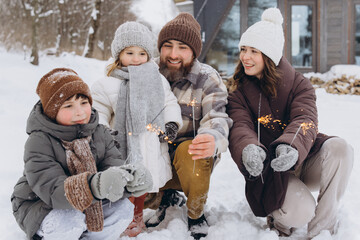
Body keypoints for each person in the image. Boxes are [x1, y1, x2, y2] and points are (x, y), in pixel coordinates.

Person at [226, 8, 354, 238]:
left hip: (301, 156)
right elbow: (240, 126)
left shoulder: (299, 85)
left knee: (341, 149)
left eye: (254, 51)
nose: (245, 56)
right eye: (243, 49)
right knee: (300, 212)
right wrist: (249, 148)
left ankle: (322, 230)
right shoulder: (239, 92)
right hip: (270, 169)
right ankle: (281, 221)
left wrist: (291, 145)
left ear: (270, 55)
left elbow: (305, 119)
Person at [10, 68, 153, 240]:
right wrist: (95, 186)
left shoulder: (99, 133)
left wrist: (129, 179)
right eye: (69, 106)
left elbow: (113, 169)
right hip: (41, 205)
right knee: (71, 218)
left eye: (84, 103)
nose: (80, 112)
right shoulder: (39, 141)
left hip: (89, 202)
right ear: (52, 111)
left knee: (123, 209)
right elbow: (53, 189)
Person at [144, 13, 233, 239]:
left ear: (193, 52)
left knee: (190, 150)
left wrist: (211, 138)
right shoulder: (146, 73)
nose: (173, 54)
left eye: (182, 47)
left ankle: (196, 213)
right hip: (151, 157)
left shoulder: (207, 79)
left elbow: (218, 118)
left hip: (188, 160)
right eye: (167, 46)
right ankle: (162, 197)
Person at [91, 21, 183, 237]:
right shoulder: (107, 83)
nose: (136, 58)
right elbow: (98, 110)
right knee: (122, 186)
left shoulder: (157, 80)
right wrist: (103, 131)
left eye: (142, 53)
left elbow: (169, 103)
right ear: (118, 54)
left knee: (141, 184)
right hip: (120, 144)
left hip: (149, 144)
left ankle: (137, 217)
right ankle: (119, 218)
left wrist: (171, 123)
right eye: (129, 52)